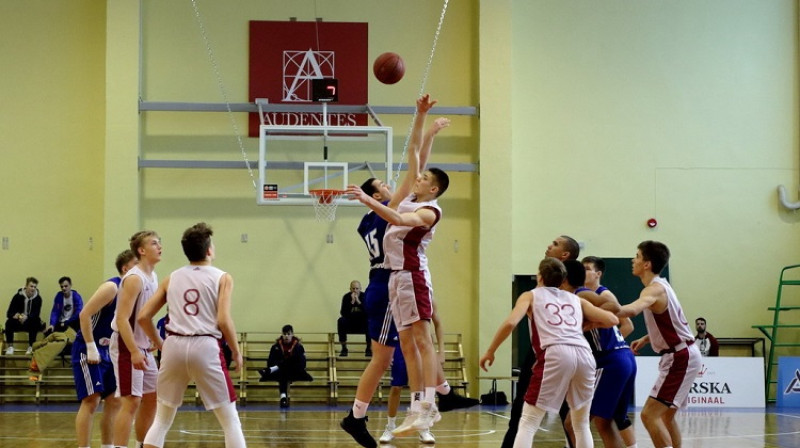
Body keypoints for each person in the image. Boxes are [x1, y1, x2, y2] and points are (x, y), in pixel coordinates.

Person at [346, 93, 451, 437]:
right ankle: (428, 403)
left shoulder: (395, 212)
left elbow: (417, 165)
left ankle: (424, 405)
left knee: (405, 348)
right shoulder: (397, 202)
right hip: (393, 279)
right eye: (383, 186)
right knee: (407, 347)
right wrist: (423, 122)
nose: (392, 185)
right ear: (379, 196)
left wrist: (428, 131)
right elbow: (415, 161)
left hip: (400, 277)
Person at [480, 257, 619, 448]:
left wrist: (490, 351)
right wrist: (583, 327)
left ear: (540, 277)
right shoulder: (576, 299)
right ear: (562, 279)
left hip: (555, 352)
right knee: (581, 423)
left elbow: (511, 322)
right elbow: (611, 319)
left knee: (528, 422)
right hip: (584, 354)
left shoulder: (530, 295)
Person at [137, 222, 246, 448]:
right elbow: (224, 320)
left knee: (162, 419)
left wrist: (159, 343)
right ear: (209, 250)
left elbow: (143, 316)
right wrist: (236, 351)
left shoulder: (171, 278)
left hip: (174, 345)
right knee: (230, 421)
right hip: (205, 345)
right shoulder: (223, 277)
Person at [617, 241, 702, 448]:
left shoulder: (653, 290)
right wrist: (648, 338)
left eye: (637, 256)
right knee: (666, 417)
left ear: (646, 264)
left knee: (649, 416)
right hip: (685, 352)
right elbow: (672, 322)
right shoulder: (662, 285)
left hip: (680, 357)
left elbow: (631, 311)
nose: (633, 260)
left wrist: (597, 308)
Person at [501, 235, 581, 448]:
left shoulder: (572, 289)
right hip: (551, 351)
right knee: (524, 410)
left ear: (565, 255)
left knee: (565, 413)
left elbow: (609, 311)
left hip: (557, 351)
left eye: (555, 244)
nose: (548, 245)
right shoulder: (547, 287)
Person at [564, 256, 638, 448]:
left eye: (588, 268)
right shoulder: (582, 294)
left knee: (573, 424)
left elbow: (621, 316)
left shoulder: (587, 294)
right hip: (621, 358)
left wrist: (593, 325)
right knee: (606, 422)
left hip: (611, 359)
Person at [73, 249, 137, 448]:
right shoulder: (112, 287)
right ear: (126, 268)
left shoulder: (133, 291)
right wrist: (91, 346)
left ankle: (108, 446)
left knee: (115, 401)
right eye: (137, 264)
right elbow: (84, 315)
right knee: (91, 400)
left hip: (112, 351)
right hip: (88, 346)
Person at [110, 230, 162, 448]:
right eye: (154, 243)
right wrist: (133, 351)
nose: (160, 246)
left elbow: (144, 318)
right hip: (126, 345)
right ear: (141, 250)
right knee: (131, 402)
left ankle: (143, 444)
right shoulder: (134, 279)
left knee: (152, 397)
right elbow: (122, 320)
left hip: (143, 347)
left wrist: (159, 343)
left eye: (160, 242)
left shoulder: (153, 277)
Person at [27, 276, 86, 379]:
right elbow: (55, 311)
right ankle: (37, 346)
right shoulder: (59, 296)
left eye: (66, 286)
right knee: (55, 336)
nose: (64, 288)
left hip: (72, 324)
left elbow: (78, 312)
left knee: (61, 339)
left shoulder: (76, 296)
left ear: (70, 285)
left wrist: (67, 322)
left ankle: (37, 349)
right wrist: (52, 324)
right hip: (61, 324)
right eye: (62, 286)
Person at [258, 324, 313, 408]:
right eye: (284, 334)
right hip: (280, 373)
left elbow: (302, 364)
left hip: (295, 371)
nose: (286, 336)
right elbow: (270, 362)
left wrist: (281, 364)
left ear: (292, 334)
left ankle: (283, 397)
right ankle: (283, 398)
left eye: (288, 334)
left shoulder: (298, 347)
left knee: (291, 361)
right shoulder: (275, 347)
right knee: (284, 372)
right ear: (282, 335)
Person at [5, 277, 45, 355]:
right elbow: (9, 313)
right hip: (18, 321)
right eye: (31, 286)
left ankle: (31, 346)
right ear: (26, 286)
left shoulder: (38, 298)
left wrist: (27, 317)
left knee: (35, 321)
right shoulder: (17, 296)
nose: (33, 289)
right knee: (8, 323)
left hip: (30, 321)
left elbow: (36, 313)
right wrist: (15, 315)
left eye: (35, 287)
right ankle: (10, 347)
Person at [338, 280, 370, 357]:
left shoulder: (365, 296)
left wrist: (359, 302)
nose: (355, 291)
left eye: (357, 288)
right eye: (353, 288)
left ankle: (369, 348)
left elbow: (368, 313)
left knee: (370, 321)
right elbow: (343, 313)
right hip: (350, 322)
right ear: (350, 289)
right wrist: (352, 302)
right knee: (341, 321)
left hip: (362, 322)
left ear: (360, 289)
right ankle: (344, 348)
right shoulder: (346, 297)